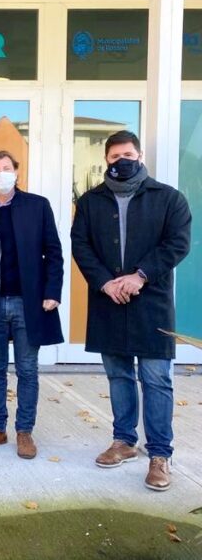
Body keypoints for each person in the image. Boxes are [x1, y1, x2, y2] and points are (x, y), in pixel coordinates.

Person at [71, 130, 191, 491]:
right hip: (109, 300)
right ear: (105, 161)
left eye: (128, 154)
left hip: (150, 301)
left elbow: (178, 243)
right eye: (114, 156)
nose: (121, 160)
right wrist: (106, 282)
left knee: (156, 379)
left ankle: (159, 454)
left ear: (139, 156)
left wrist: (140, 276)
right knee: (119, 375)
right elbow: (81, 245)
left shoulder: (169, 198)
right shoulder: (91, 201)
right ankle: (123, 440)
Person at [0, 150, 63, 460]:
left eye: (7, 168)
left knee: (27, 370)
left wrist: (52, 291)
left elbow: (54, 252)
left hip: (28, 302)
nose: (2, 173)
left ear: (17, 172)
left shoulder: (38, 206)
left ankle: (24, 432)